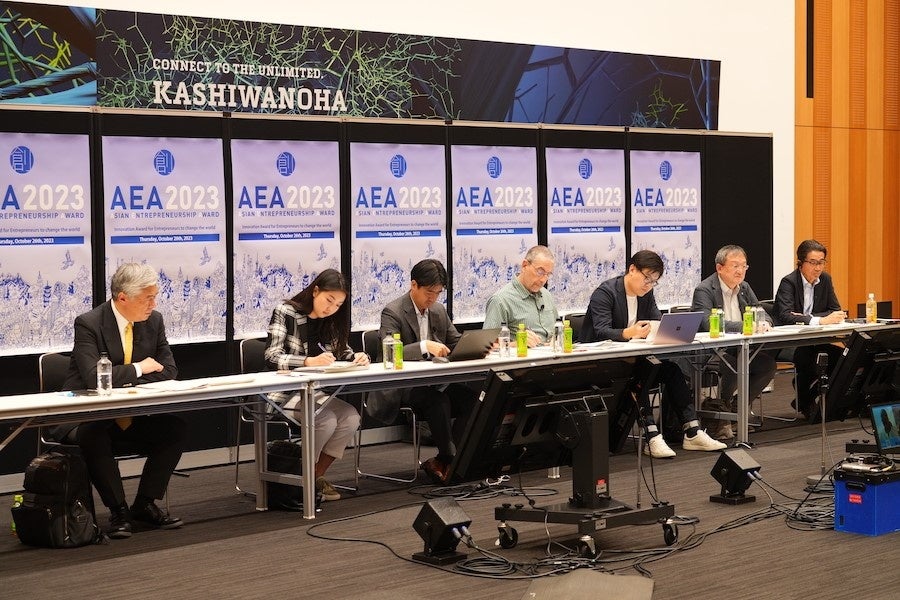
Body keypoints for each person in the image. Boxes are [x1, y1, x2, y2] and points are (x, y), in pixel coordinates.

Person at [52, 263, 186, 539]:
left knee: (175, 428)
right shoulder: (89, 324)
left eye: (155, 297)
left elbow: (169, 371)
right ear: (123, 297)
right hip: (85, 417)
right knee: (93, 433)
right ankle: (118, 511)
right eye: (147, 298)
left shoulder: (154, 320)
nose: (153, 304)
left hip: (127, 414)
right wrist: (139, 369)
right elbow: (94, 378)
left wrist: (123, 378)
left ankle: (144, 504)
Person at [581, 250, 726, 457]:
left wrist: (665, 331)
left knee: (672, 371)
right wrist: (628, 333)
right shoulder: (605, 293)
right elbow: (601, 330)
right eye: (647, 278)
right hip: (603, 364)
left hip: (634, 359)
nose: (648, 285)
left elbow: (657, 319)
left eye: (654, 281)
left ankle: (692, 431)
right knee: (639, 375)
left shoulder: (646, 294)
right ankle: (651, 435)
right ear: (632, 269)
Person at [265, 269, 367, 501]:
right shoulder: (286, 311)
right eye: (329, 300)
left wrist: (357, 357)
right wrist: (307, 361)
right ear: (315, 291)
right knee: (325, 419)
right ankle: (303, 479)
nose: (331, 308)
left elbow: (341, 352)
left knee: (351, 417)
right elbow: (271, 356)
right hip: (284, 391)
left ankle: (312, 476)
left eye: (338, 305)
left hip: (313, 391)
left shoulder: (330, 320)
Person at [378, 259, 478, 484]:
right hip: (403, 386)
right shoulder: (392, 311)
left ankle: (449, 459)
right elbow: (389, 351)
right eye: (429, 292)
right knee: (437, 400)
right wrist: (424, 346)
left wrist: (480, 345)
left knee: (473, 399)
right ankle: (450, 459)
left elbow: (455, 341)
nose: (433, 298)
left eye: (438, 293)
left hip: (434, 382)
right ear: (414, 285)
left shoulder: (438, 310)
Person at [692, 245, 777, 439]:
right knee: (734, 364)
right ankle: (724, 414)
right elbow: (706, 323)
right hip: (713, 351)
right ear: (720, 268)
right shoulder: (704, 289)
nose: (740, 271)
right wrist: (744, 326)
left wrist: (765, 322)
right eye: (735, 266)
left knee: (767, 365)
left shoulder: (744, 288)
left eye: (744, 266)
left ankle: (735, 410)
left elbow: (761, 311)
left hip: (739, 348)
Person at [773, 239, 846, 419]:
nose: (818, 267)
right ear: (800, 263)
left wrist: (811, 318)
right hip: (788, 342)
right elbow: (785, 316)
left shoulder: (825, 280)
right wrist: (820, 320)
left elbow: (835, 310)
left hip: (815, 340)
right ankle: (805, 398)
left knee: (844, 359)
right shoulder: (789, 282)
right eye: (813, 262)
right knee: (810, 358)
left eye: (821, 262)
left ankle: (805, 396)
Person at [483, 245, 559, 346]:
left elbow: (558, 331)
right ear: (524, 265)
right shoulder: (501, 300)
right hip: (523, 355)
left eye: (548, 274)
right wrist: (517, 344)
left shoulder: (546, 295)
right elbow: (487, 346)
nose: (543, 280)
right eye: (540, 272)